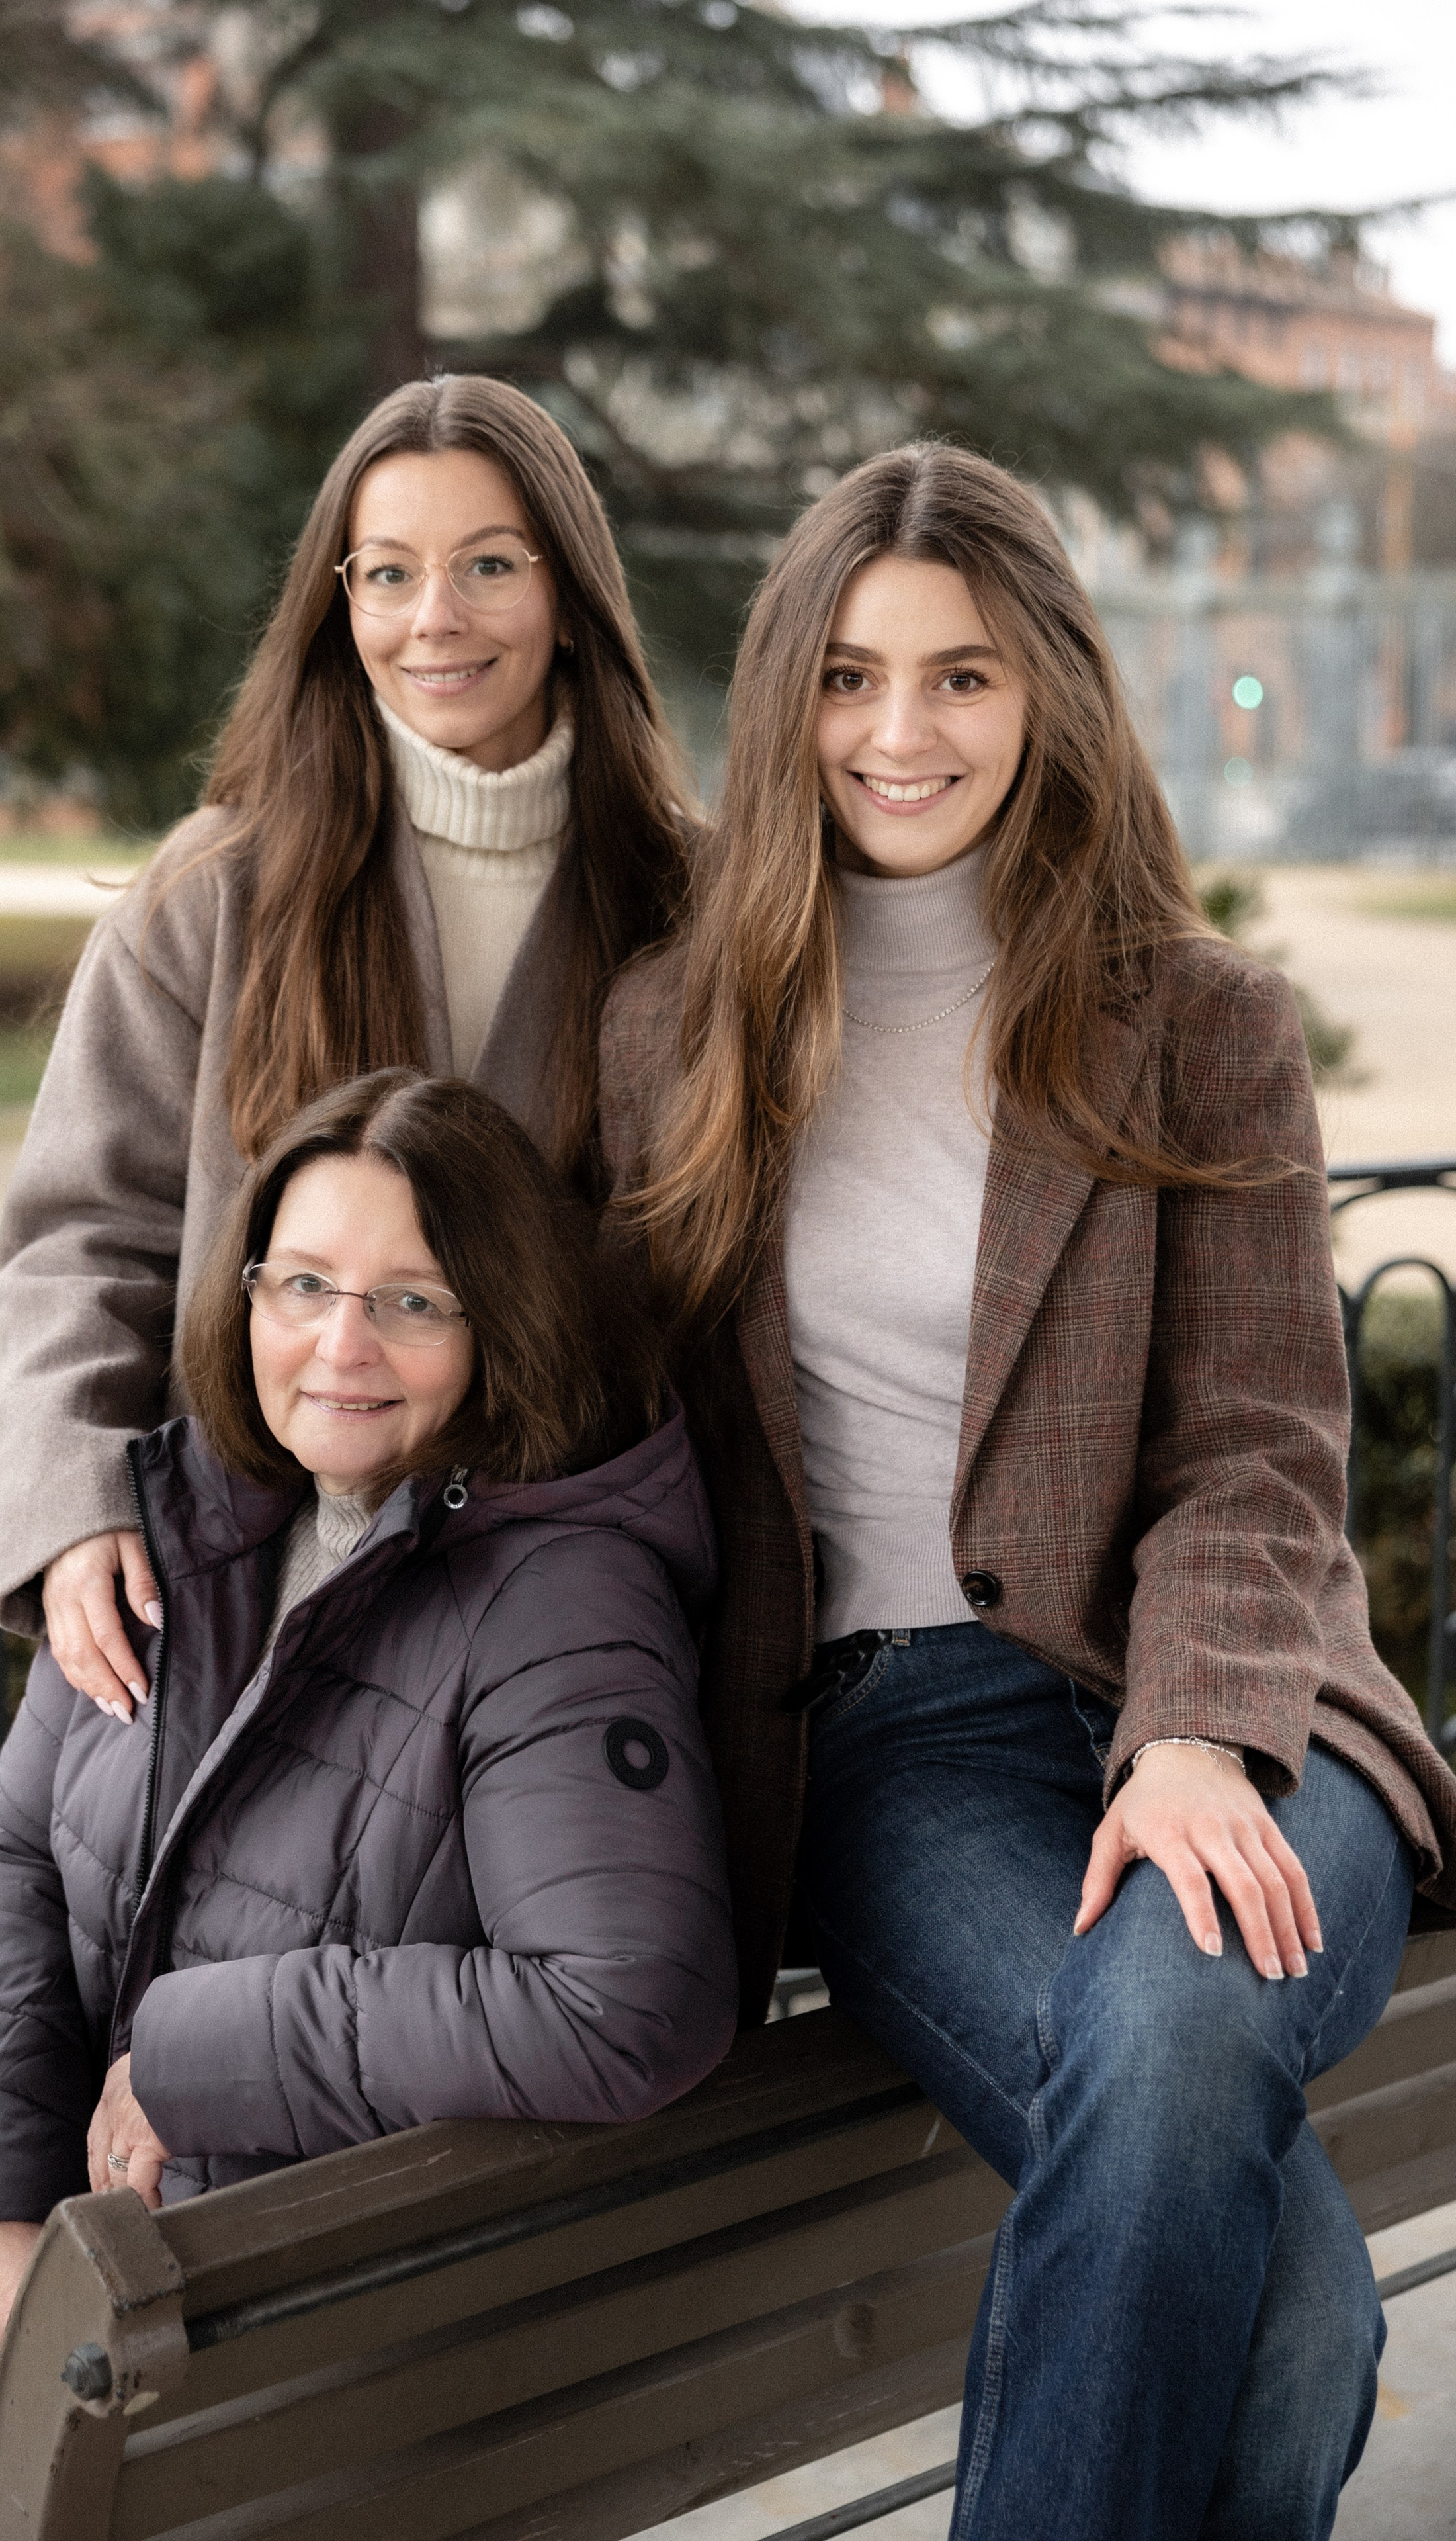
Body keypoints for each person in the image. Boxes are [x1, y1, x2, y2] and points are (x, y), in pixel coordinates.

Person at [597, 443, 1456, 2541]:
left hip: (1252, 1707)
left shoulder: (1202, 1019)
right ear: (788, 693)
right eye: (856, 678)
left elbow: (1265, 1440)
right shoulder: (672, 1034)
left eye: (965, 677)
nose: (905, 732)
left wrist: (1189, 1733)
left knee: (1173, 2033)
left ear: (1051, 688)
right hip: (902, 1742)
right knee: (1295, 2322)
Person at [0, 1069, 738, 2448]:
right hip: (68, 2178)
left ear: (499, 1325)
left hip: (246, 2261)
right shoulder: (195, 1515)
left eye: (410, 1301)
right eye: (301, 1286)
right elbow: (13, 1850)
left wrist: (188, 2050)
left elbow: (623, 2002)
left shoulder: (558, 1601)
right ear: (247, 1294)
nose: (338, 1344)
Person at [0, 372, 693, 1726]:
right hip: (250, 1602)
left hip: (569, 1625)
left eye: (489, 564)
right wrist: (72, 1502)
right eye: (387, 573)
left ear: (568, 596)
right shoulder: (215, 892)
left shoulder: (688, 898)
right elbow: (82, 1239)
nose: (434, 617)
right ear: (339, 602)